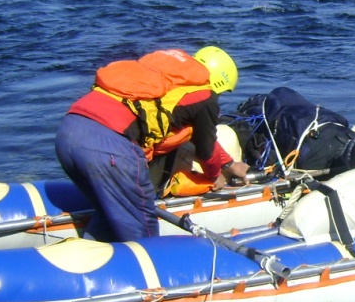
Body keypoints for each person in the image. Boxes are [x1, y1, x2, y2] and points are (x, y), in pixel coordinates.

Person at [55, 46, 249, 242]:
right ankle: (147, 264)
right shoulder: (206, 96)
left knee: (110, 211)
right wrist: (216, 175)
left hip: (69, 132)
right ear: (219, 82)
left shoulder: (165, 78)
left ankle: (86, 259)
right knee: (143, 221)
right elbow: (205, 149)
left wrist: (229, 164)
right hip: (111, 147)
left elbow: (194, 134)